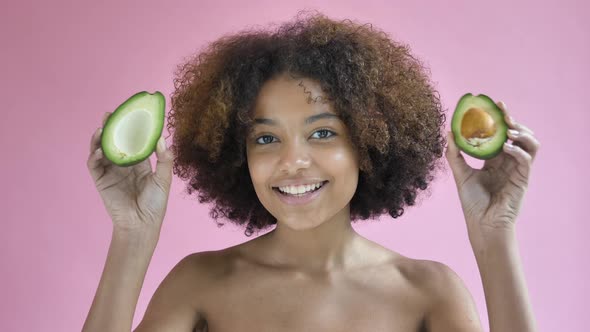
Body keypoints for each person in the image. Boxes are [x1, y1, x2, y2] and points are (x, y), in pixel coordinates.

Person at [83, 11, 539, 332]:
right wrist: (132, 234)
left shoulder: (428, 291)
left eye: (322, 133)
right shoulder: (200, 283)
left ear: (367, 142)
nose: (292, 160)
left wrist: (494, 235)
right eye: (265, 138)